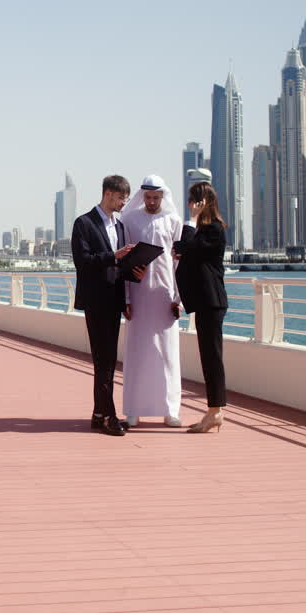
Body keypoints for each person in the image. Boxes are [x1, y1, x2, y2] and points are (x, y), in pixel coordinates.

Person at [72, 175, 144, 437]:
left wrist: (135, 272)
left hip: (114, 300)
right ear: (108, 194)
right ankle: (108, 416)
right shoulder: (84, 223)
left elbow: (120, 267)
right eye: (121, 196)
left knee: (108, 360)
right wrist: (114, 255)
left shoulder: (121, 226)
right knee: (103, 360)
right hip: (95, 300)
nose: (125, 201)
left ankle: (99, 413)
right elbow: (83, 261)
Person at [119, 175, 183, 428]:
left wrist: (179, 299)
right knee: (137, 353)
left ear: (163, 197)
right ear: (142, 196)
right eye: (148, 197)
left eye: (156, 197)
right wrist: (125, 298)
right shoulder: (129, 220)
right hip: (138, 294)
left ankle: (171, 410)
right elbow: (124, 260)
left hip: (165, 296)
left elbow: (178, 262)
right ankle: (133, 409)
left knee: (168, 354)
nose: (152, 202)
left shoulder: (173, 220)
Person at [173, 181, 229, 433]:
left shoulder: (214, 230)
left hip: (212, 301)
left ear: (205, 202)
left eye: (194, 200)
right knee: (208, 356)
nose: (190, 205)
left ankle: (216, 412)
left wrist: (192, 220)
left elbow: (185, 246)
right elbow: (179, 248)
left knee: (212, 357)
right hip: (205, 302)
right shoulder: (203, 231)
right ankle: (213, 411)